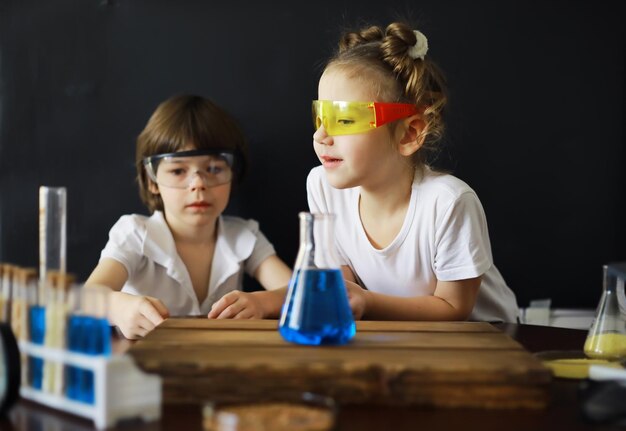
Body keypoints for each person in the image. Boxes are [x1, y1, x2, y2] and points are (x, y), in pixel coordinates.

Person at [308, 21, 519, 322]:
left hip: (489, 340)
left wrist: (367, 302)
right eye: (320, 116)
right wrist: (267, 302)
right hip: (405, 337)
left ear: (408, 134)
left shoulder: (448, 203)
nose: (321, 136)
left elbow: (453, 307)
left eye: (344, 120)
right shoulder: (323, 186)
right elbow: (343, 287)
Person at [86, 94, 292, 339]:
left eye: (214, 169)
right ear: (152, 180)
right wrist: (117, 308)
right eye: (178, 170)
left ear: (232, 174)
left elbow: (301, 292)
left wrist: (263, 303)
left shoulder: (244, 235)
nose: (198, 184)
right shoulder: (135, 233)